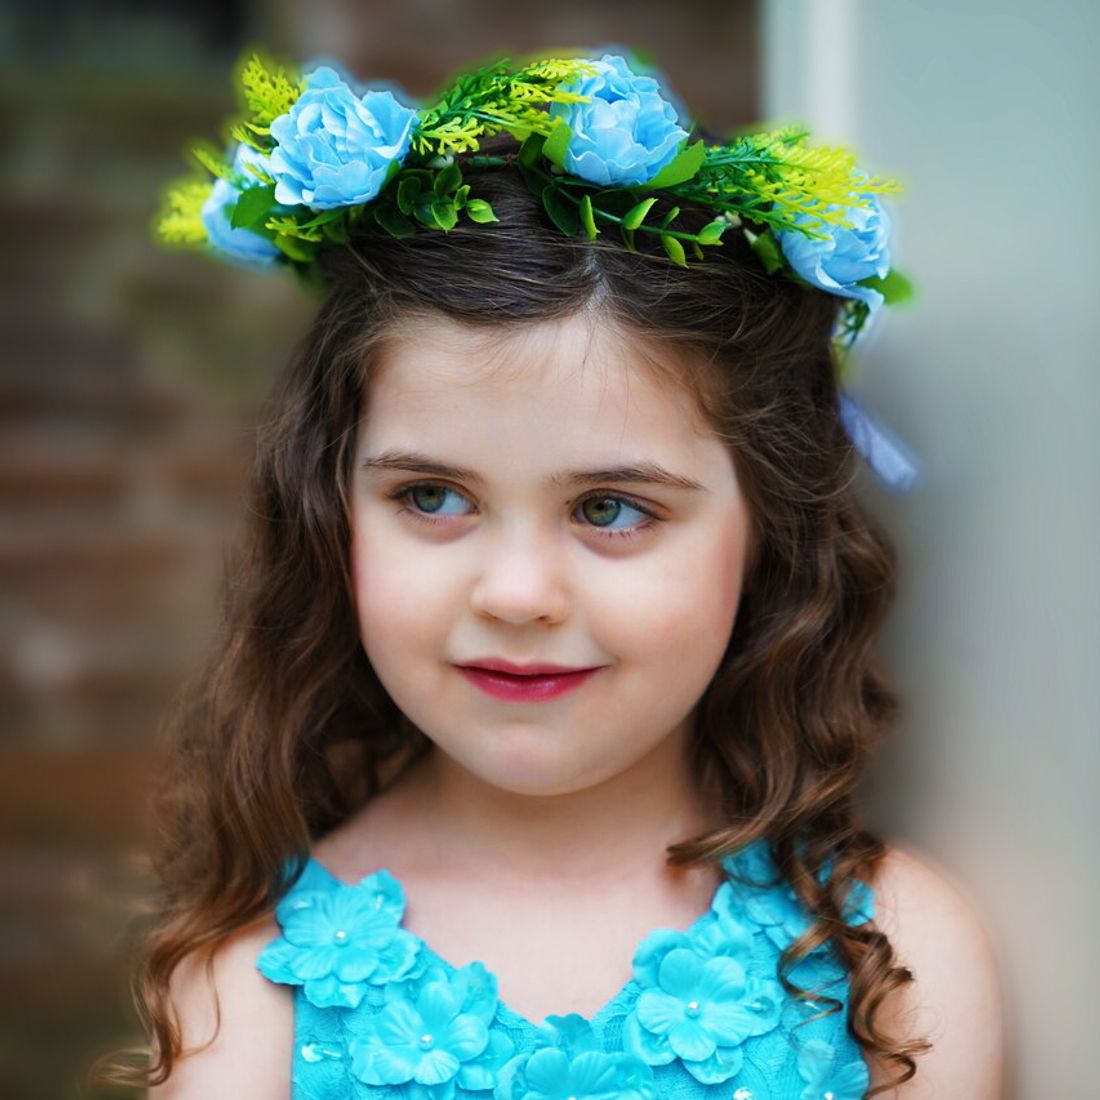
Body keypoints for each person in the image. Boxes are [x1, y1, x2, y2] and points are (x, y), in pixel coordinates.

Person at [102, 46, 1005, 1099]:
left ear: (767, 525)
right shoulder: (252, 987)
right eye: (432, 496)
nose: (516, 592)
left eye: (609, 507)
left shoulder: (889, 956)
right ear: (327, 509)